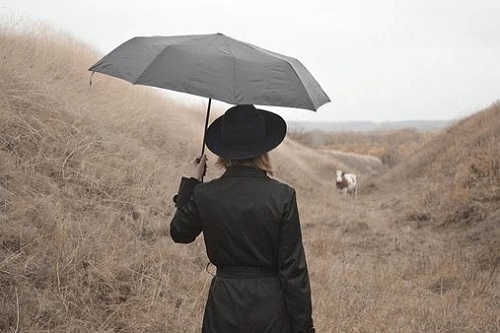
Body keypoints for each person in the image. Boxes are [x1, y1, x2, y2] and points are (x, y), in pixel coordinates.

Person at [170, 104, 315, 333]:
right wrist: (304, 327)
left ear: (224, 151)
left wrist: (192, 182)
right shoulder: (283, 196)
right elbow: (293, 270)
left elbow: (179, 232)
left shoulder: (205, 194)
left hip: (223, 306)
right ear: (263, 149)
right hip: (270, 310)